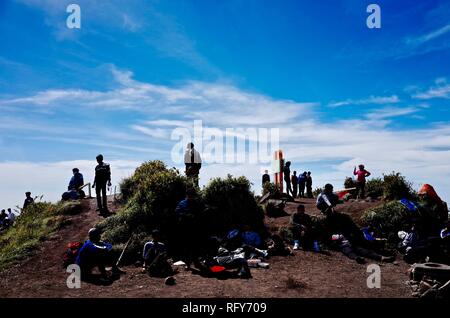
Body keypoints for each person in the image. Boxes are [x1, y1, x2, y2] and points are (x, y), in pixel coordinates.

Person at [174, 187, 204, 270]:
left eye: (192, 195)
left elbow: (201, 213)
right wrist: (186, 215)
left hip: (195, 228)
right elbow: (177, 212)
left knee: (196, 246)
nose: (191, 197)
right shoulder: (182, 203)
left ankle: (196, 262)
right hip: (185, 228)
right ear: (187, 195)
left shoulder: (197, 203)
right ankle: (188, 264)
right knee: (186, 247)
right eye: (190, 195)